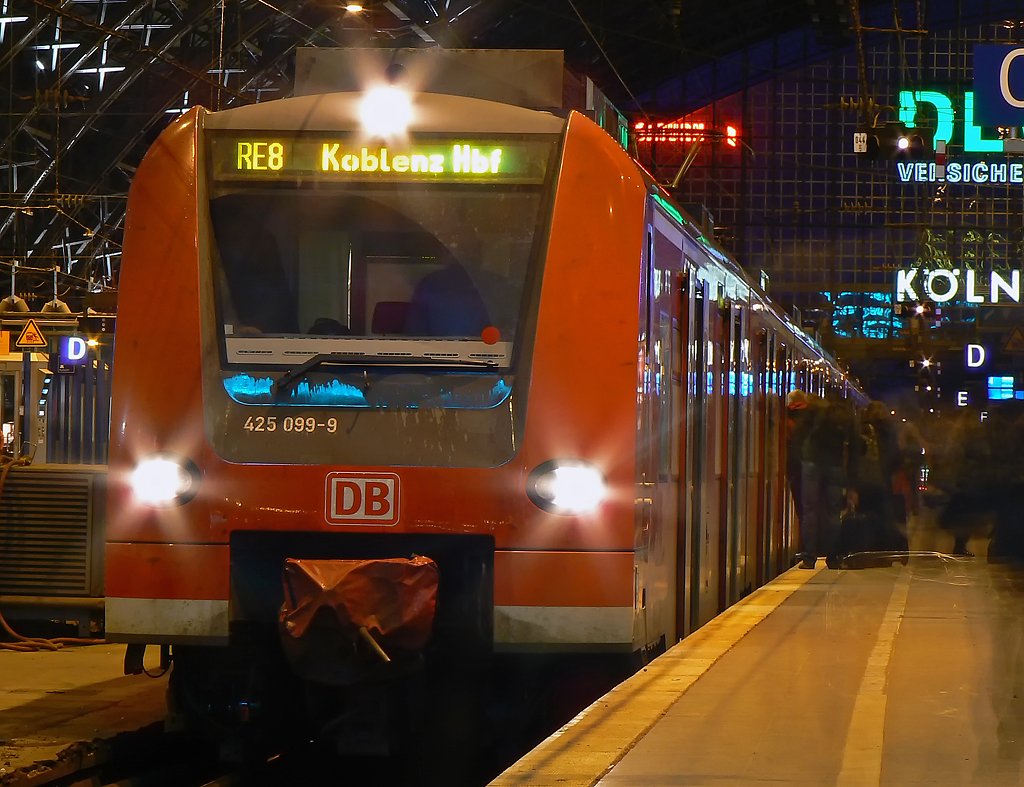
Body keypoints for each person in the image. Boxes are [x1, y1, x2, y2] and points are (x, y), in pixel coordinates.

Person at [797, 392, 860, 569]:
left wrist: (802, 458)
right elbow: (854, 450)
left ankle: (809, 558)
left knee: (810, 511)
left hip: (811, 463)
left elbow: (799, 435)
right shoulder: (848, 416)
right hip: (835, 466)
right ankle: (832, 558)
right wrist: (852, 484)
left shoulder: (815, 410)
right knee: (833, 514)